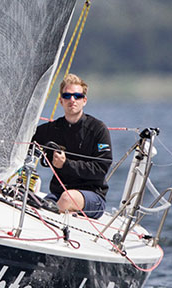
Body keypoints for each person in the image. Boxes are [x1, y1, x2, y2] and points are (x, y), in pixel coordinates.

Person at [31, 73, 112, 218]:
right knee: (34, 204)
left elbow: (101, 169)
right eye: (67, 96)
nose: (72, 100)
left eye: (77, 96)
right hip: (57, 194)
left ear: (84, 100)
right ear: (61, 101)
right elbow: (27, 139)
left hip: (92, 197)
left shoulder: (98, 129)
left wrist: (66, 164)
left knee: (67, 198)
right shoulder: (52, 129)